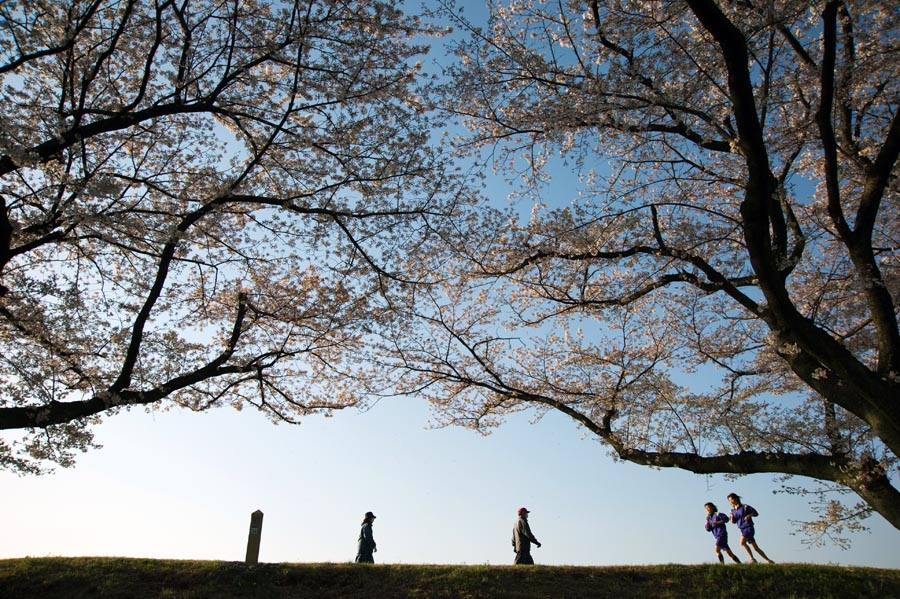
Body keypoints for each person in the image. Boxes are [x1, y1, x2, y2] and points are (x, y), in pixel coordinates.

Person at [727, 493, 775, 564]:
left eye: (732, 499)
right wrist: (731, 517)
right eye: (729, 500)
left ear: (736, 498)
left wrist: (749, 515)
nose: (731, 501)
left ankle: (752, 559)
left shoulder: (745, 507)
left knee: (742, 543)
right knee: (755, 548)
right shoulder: (732, 511)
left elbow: (756, 513)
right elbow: (733, 522)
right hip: (742, 529)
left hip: (748, 527)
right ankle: (769, 560)